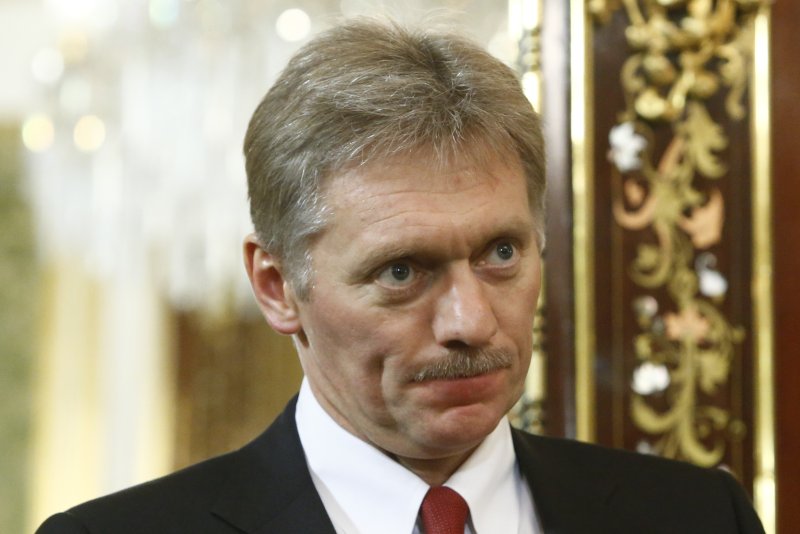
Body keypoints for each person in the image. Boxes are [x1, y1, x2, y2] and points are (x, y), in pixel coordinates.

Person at [37, 17, 764, 534]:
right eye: (401, 271)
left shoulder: (697, 517)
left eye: (501, 254)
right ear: (276, 284)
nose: (470, 322)